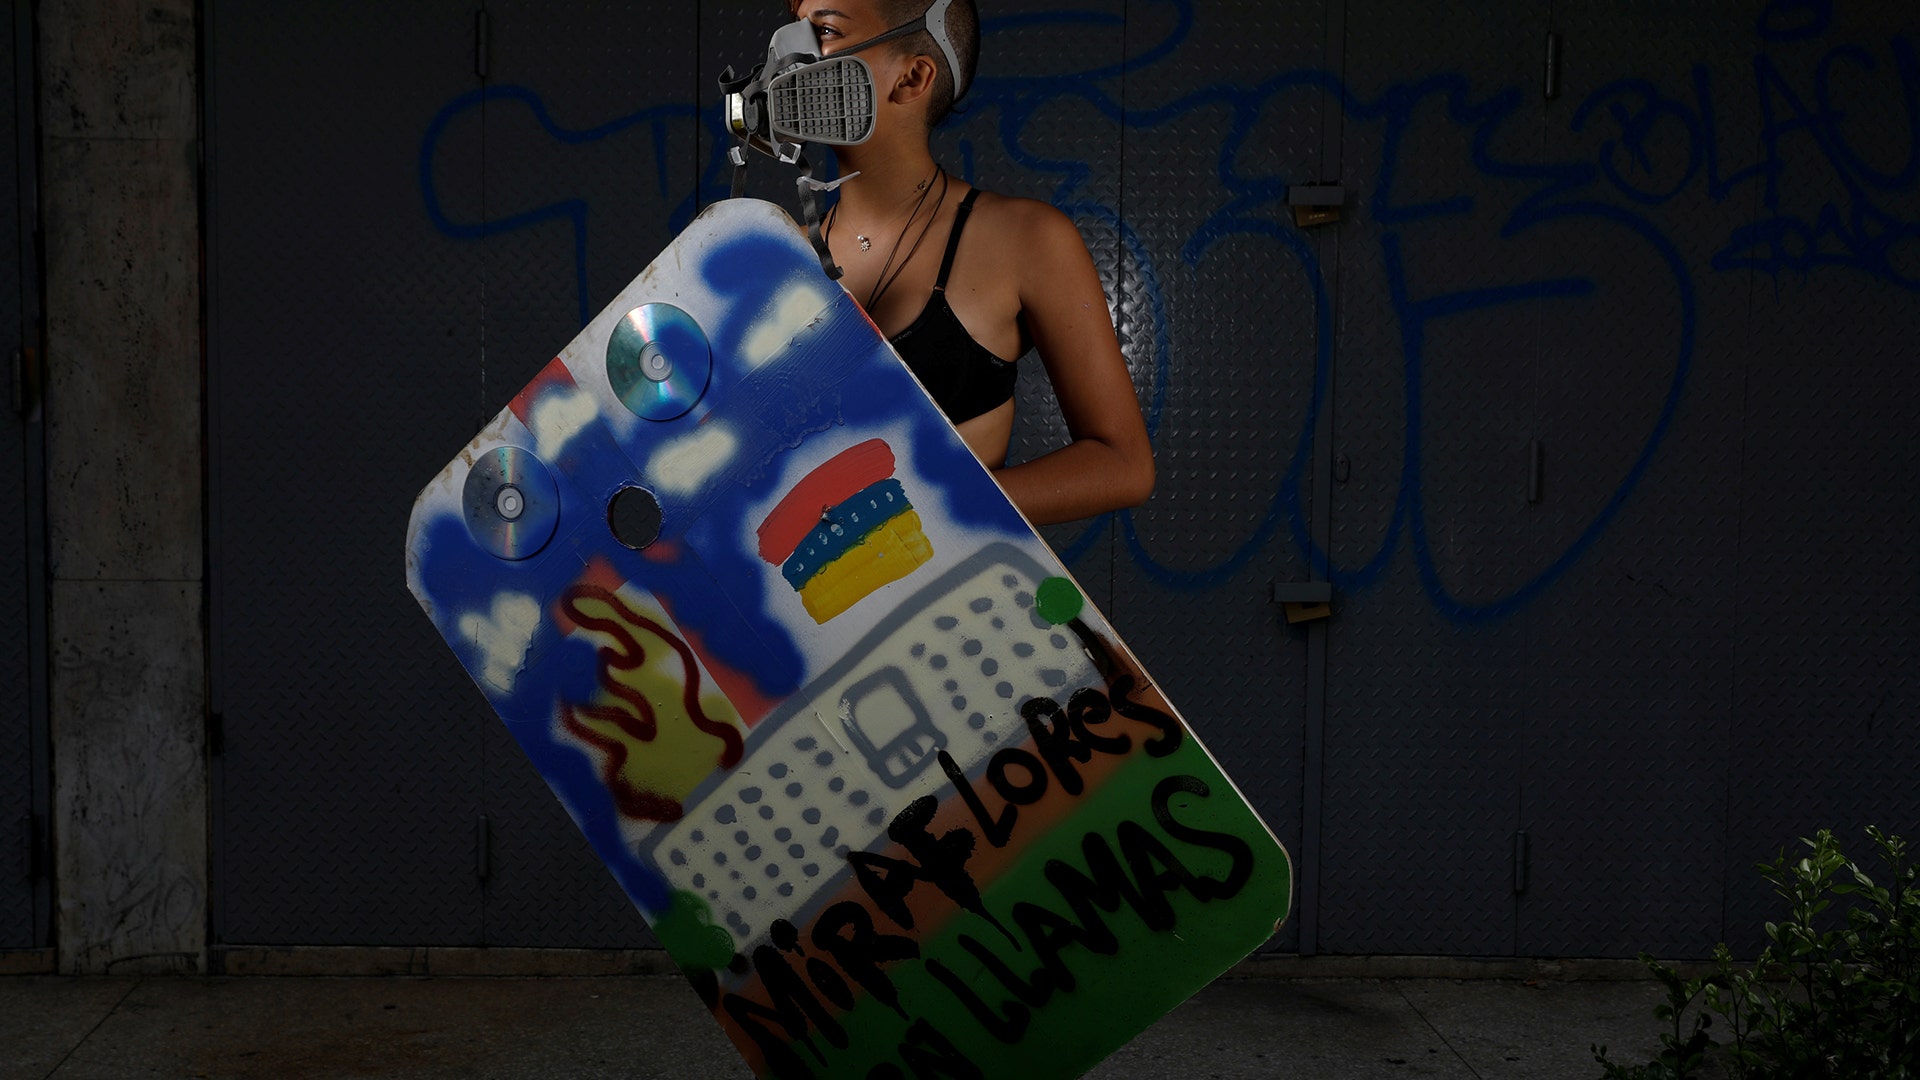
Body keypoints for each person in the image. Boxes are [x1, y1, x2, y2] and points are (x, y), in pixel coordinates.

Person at [791, 0, 1155, 527]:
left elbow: (1123, 466)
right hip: (800, 598)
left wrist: (928, 509)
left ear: (912, 78)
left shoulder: (1026, 240)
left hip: (947, 602)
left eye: (823, 31)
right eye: (794, 28)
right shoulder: (781, 253)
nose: (791, 55)